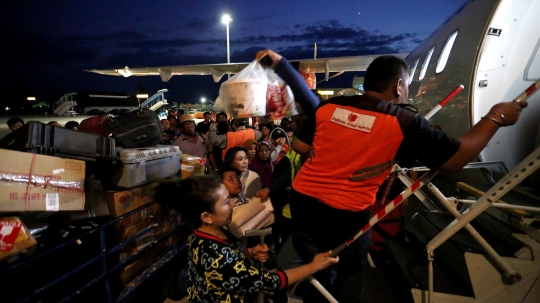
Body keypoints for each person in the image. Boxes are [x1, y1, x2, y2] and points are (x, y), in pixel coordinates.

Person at [256, 49, 526, 303]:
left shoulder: (332, 106)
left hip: (303, 206)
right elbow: (455, 159)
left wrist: (281, 64)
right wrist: (496, 116)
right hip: (345, 216)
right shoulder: (403, 120)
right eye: (406, 85)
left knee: (317, 268)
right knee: (350, 269)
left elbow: (307, 116)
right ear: (398, 86)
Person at [154, 174, 339, 303]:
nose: (232, 204)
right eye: (226, 202)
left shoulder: (203, 233)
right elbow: (272, 281)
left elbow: (228, 261)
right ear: (206, 216)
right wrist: (314, 266)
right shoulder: (219, 257)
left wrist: (248, 252)